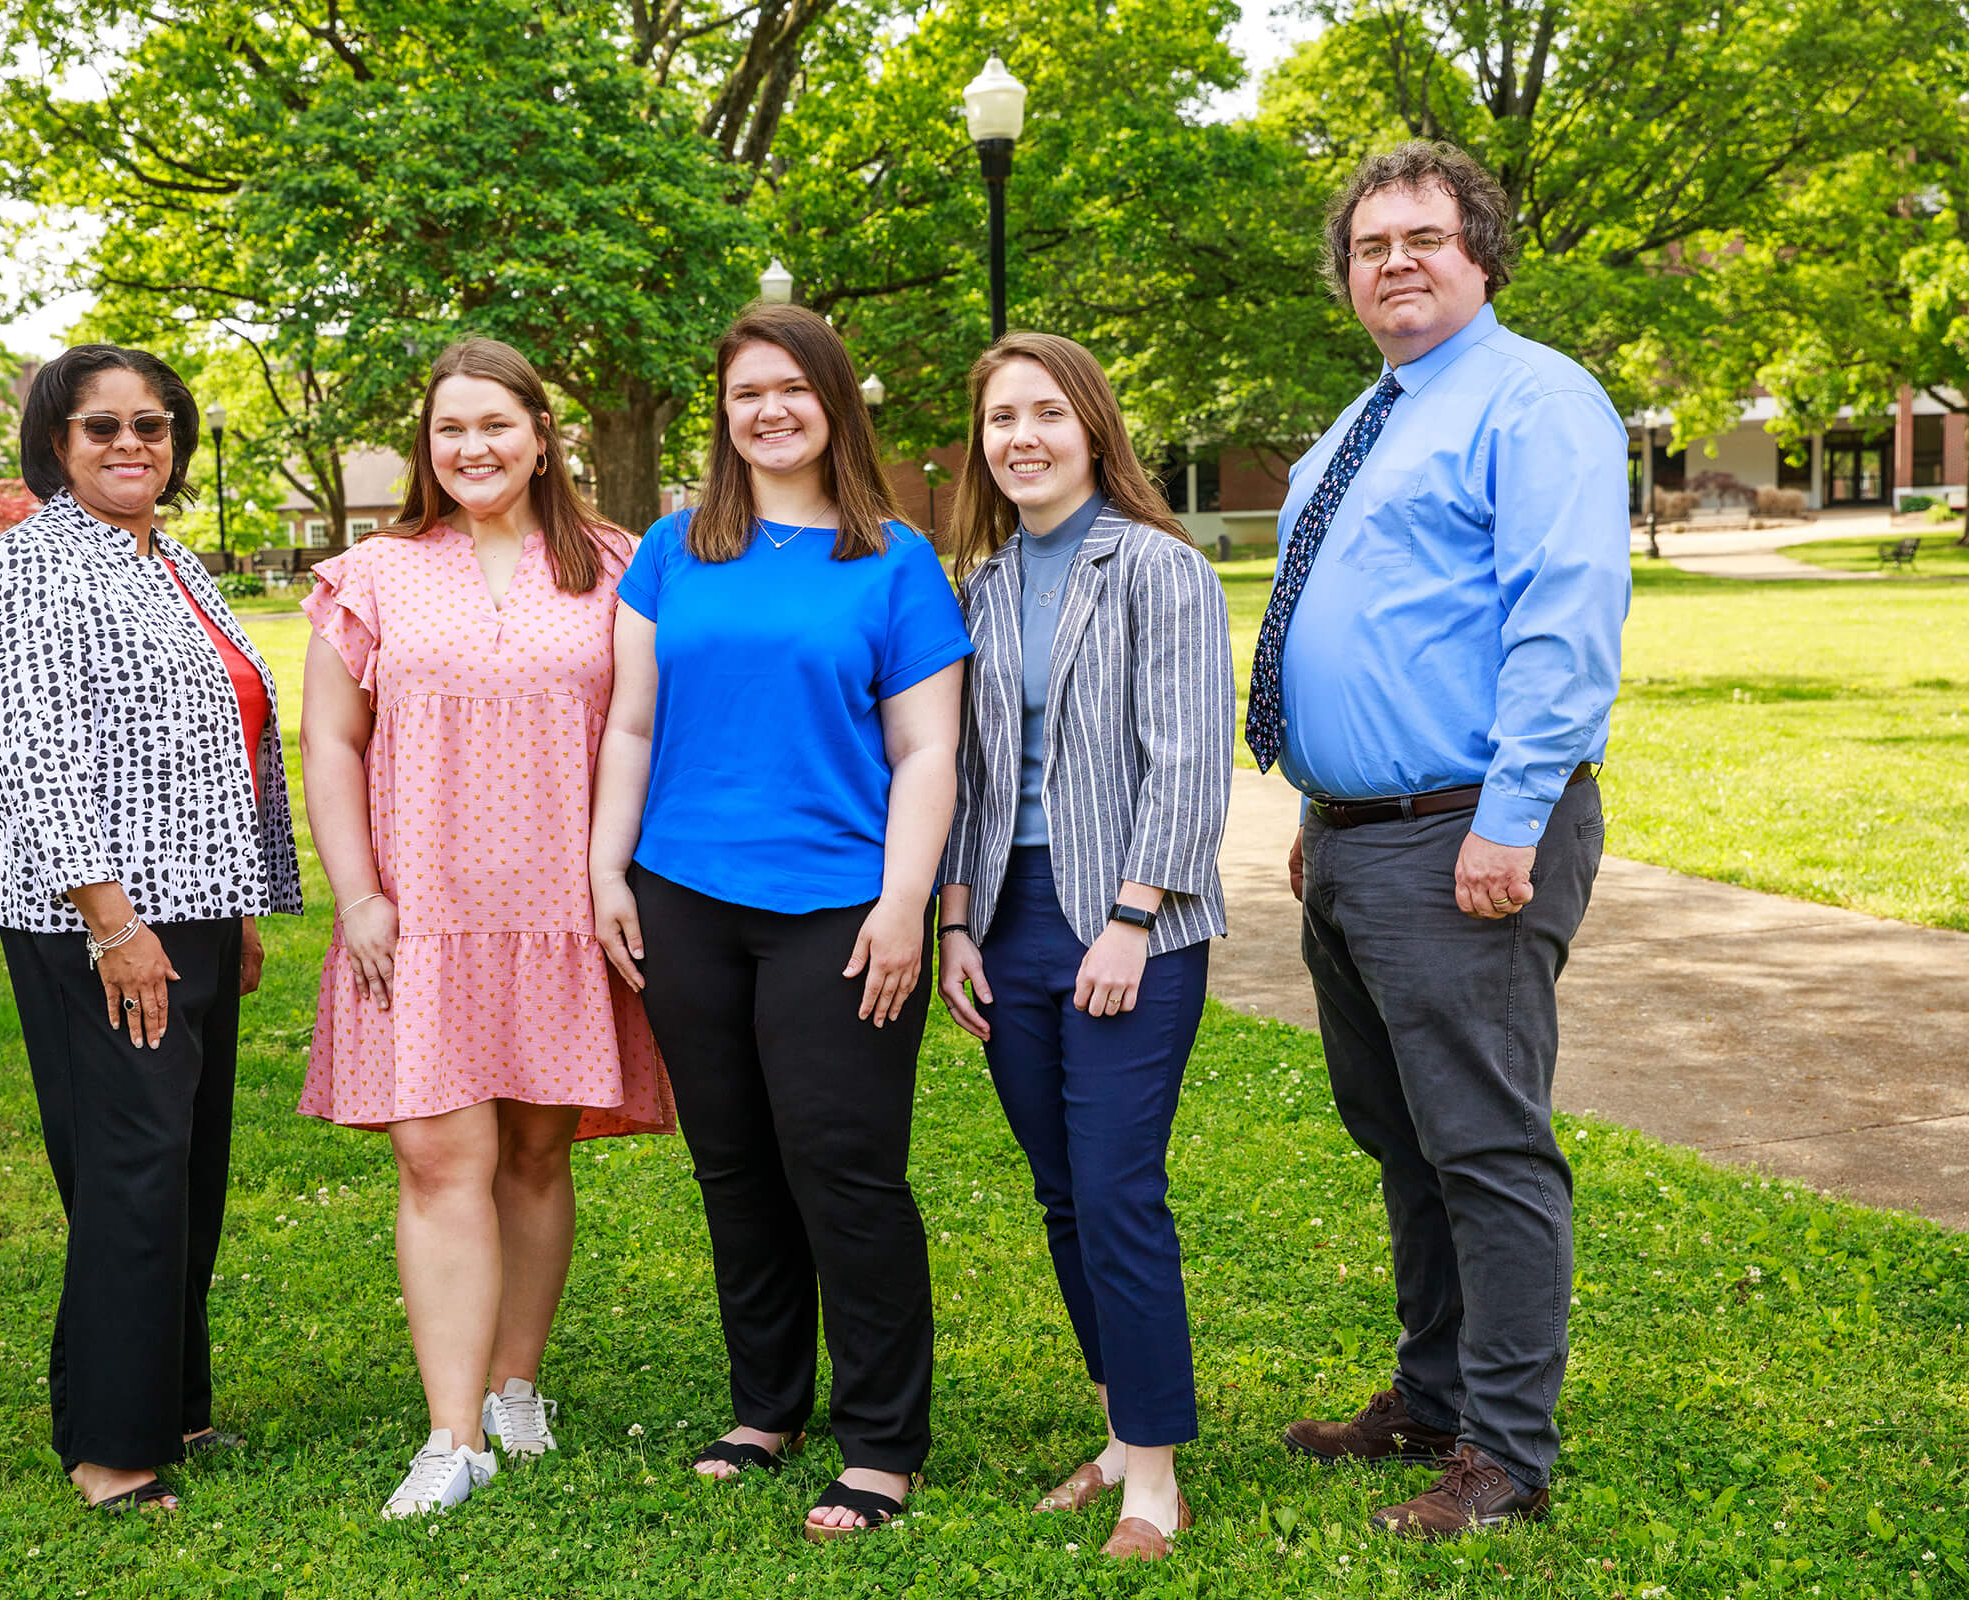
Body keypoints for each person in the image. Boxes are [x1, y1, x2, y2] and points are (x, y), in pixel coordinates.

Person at [1253, 141, 1629, 1539]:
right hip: (1354, 839)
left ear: (1483, 252)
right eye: (1370, 244)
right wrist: (1317, 806)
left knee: (1483, 1143)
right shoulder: (1369, 418)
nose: (1395, 260)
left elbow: (1562, 616)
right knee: (1401, 1134)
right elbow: (1339, 627)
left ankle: (1508, 1456)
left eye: (1424, 236)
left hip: (1468, 830)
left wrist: (1509, 819)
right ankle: (1428, 1393)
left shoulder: (1534, 401)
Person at [589, 302, 969, 1541]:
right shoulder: (669, 549)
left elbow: (926, 753)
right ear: (725, 412)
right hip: (683, 898)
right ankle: (765, 1409)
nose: (769, 410)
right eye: (747, 391)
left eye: (792, 389)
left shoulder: (896, 560)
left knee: (845, 1170)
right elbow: (633, 725)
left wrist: (906, 899)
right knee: (735, 1164)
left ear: (833, 404)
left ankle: (880, 1443)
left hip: (843, 910)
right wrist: (609, 872)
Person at [296, 338, 674, 1520]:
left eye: (496, 424)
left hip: (565, 911)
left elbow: (652, 727)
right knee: (437, 1157)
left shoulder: (619, 566)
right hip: (420, 915)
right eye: (449, 429)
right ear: (427, 446)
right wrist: (358, 891)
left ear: (542, 432)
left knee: (535, 1153)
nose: (473, 447)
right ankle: (450, 1434)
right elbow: (333, 744)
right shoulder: (373, 573)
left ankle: (518, 1385)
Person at [0, 343, 302, 1514]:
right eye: (101, 426)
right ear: (55, 440)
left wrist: (237, 906)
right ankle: (111, 1445)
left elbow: (221, 740)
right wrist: (113, 921)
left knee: (191, 1162)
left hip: (198, 910)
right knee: (132, 1167)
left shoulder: (174, 563)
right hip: (98, 918)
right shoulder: (27, 569)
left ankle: (173, 1403)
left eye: (151, 426)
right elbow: (33, 754)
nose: (129, 446)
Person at [934, 332, 1233, 1561]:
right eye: (1001, 419)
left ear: (1093, 425)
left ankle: (1153, 1478)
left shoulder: (1157, 567)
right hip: (1007, 920)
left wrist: (1130, 916)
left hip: (1130, 921)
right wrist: (956, 918)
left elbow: (1191, 755)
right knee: (1062, 1192)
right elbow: (965, 768)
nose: (1022, 438)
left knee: (1117, 1189)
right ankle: (1117, 1428)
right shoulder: (985, 586)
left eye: (1046, 413)